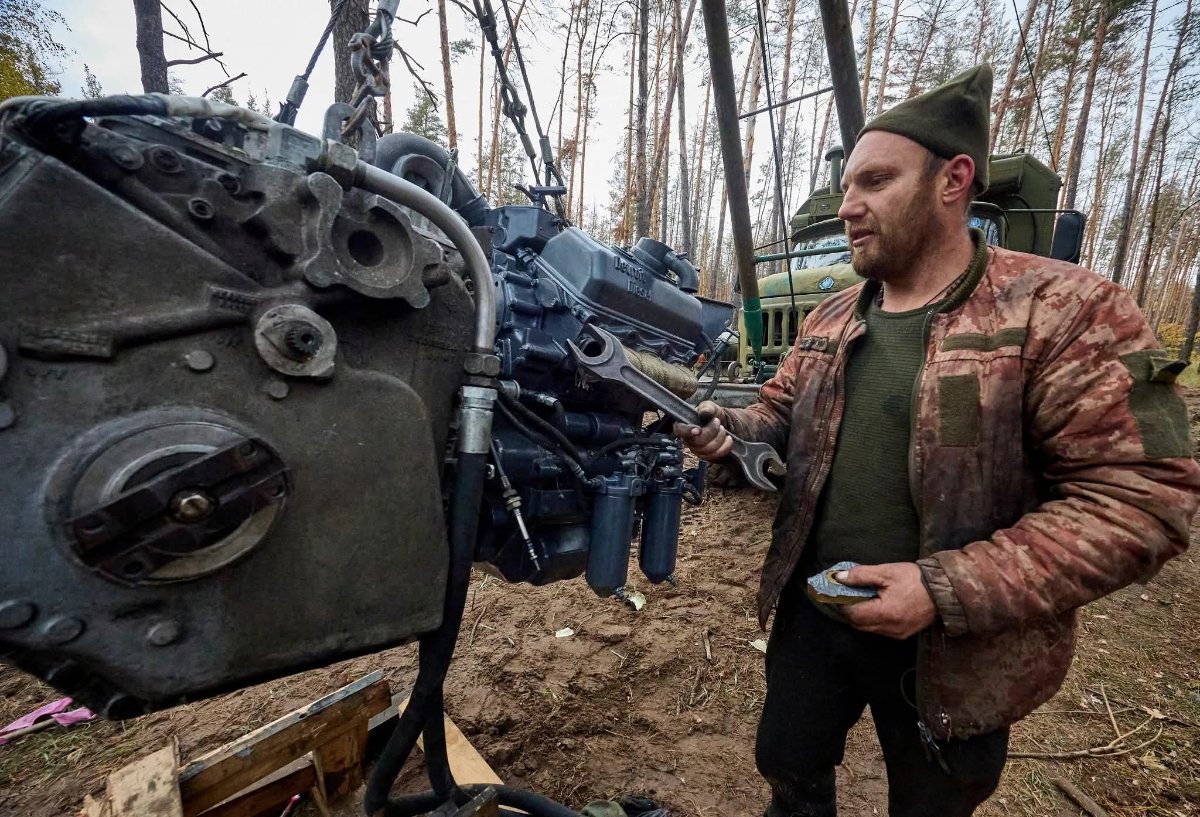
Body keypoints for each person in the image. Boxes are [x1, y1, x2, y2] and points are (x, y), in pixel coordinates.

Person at [675, 64, 1200, 817]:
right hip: (815, 611)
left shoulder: (1068, 312)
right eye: (847, 186)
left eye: (876, 182)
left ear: (953, 180)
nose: (847, 207)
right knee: (788, 766)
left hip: (958, 648)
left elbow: (1142, 502)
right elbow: (778, 416)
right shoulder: (831, 318)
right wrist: (727, 436)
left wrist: (941, 588)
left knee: (935, 801)